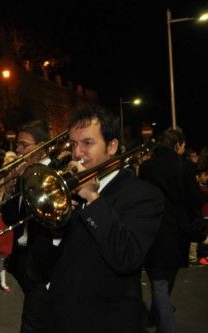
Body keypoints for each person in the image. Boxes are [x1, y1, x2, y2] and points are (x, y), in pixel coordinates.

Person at [48, 105, 163, 332]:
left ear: (112, 146)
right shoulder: (67, 191)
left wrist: (91, 197)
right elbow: (46, 261)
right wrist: (55, 228)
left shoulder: (144, 195)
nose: (77, 153)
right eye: (73, 144)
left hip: (107, 321)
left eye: (87, 143)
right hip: (60, 316)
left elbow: (127, 257)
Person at [139, 127, 204, 333]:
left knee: (159, 282)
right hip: (178, 233)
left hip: (152, 232)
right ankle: (167, 326)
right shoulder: (184, 167)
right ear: (178, 144)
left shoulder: (147, 167)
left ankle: (156, 315)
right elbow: (196, 200)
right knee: (164, 283)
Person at [3, 119, 60, 333]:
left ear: (42, 146)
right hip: (22, 255)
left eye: (23, 145)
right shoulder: (22, 172)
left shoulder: (56, 172)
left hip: (44, 259)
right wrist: (9, 190)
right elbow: (10, 218)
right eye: (18, 144)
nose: (18, 150)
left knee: (31, 322)